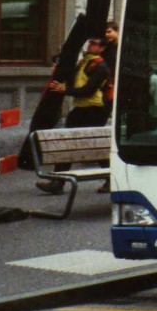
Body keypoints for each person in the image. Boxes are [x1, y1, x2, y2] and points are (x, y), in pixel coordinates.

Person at [36, 37, 111, 194]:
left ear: (102, 48)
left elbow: (88, 90)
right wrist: (58, 72)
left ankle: (111, 178)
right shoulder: (84, 62)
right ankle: (58, 182)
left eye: (94, 44)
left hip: (95, 110)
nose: (90, 45)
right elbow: (72, 81)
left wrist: (66, 90)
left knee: (96, 145)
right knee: (68, 143)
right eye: (89, 42)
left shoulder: (101, 66)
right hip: (81, 109)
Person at [101, 22, 120, 120]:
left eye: (109, 32)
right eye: (105, 33)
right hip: (109, 81)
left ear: (117, 31)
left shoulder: (121, 47)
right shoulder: (106, 48)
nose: (107, 35)